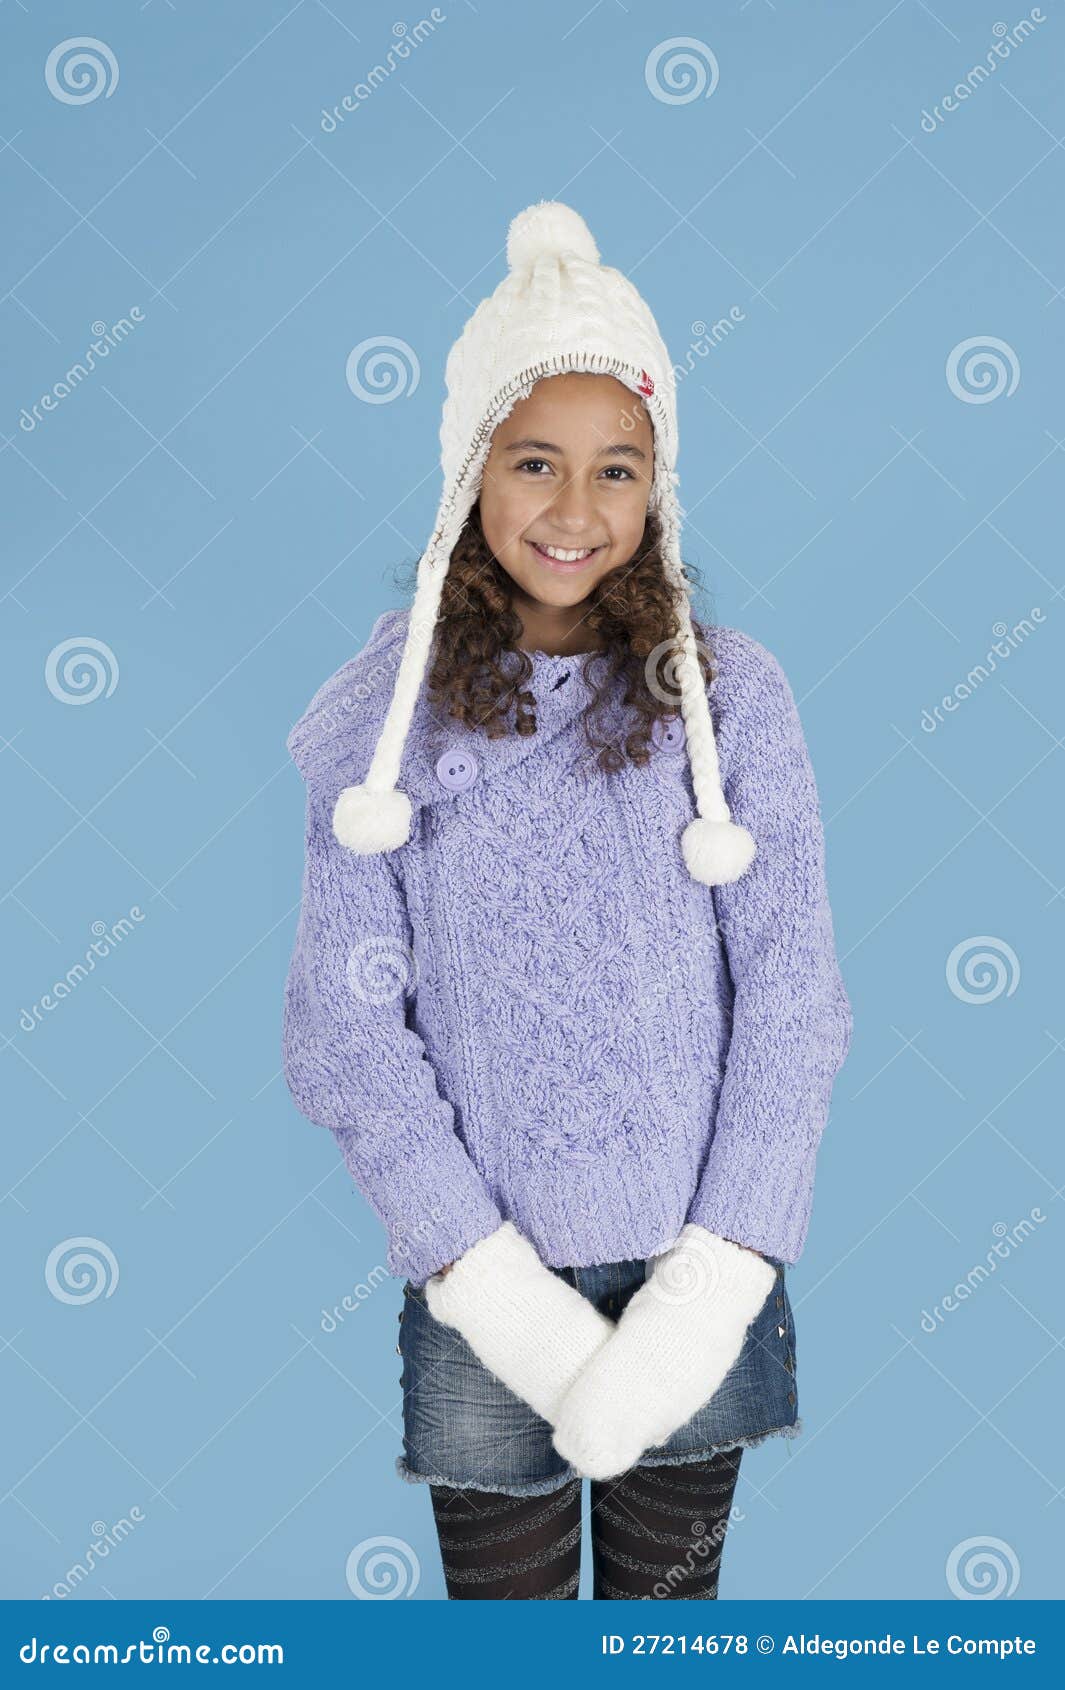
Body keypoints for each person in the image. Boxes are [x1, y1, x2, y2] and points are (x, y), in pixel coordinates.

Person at [282, 201, 853, 1600]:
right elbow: (345, 1032)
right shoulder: (382, 727)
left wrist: (709, 1282)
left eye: (617, 468)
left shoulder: (728, 701)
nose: (574, 510)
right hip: (484, 1285)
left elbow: (792, 995)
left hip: (690, 1272)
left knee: (663, 1634)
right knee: (511, 1644)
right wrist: (503, 1303)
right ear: (469, 470)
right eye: (533, 462)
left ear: (660, 485)